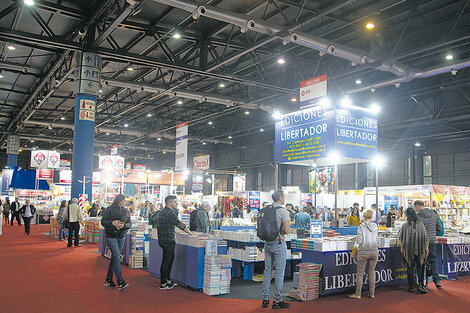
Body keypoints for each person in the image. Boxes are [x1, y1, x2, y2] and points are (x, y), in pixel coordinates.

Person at [157, 195, 193, 290]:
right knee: (166, 261)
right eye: (175, 202)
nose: (177, 204)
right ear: (169, 203)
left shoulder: (163, 212)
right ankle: (163, 283)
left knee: (169, 259)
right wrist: (190, 233)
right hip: (168, 240)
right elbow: (179, 224)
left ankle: (168, 279)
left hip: (163, 239)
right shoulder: (169, 213)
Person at [262, 190, 290, 309]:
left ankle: (265, 299)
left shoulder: (266, 210)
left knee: (267, 271)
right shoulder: (283, 211)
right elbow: (287, 230)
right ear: (280, 198)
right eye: (283, 197)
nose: (284, 199)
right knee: (279, 272)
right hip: (279, 244)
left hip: (267, 243)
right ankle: (277, 300)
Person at [101, 194, 131, 290]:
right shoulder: (109, 210)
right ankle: (120, 281)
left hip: (121, 236)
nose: (125, 202)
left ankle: (108, 280)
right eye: (124, 201)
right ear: (119, 201)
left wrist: (124, 225)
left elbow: (129, 224)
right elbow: (103, 221)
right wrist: (112, 223)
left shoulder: (126, 211)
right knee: (117, 257)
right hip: (111, 235)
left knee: (115, 258)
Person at [349, 209, 379, 299]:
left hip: (363, 252)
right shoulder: (375, 226)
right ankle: (372, 293)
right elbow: (377, 239)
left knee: (360, 273)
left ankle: (358, 294)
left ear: (364, 216)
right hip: (374, 251)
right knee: (372, 273)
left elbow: (359, 240)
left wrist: (354, 252)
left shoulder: (361, 226)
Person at [398, 207, 429, 294]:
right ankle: (421, 284)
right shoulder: (421, 224)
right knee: (420, 266)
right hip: (420, 249)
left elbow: (400, 238)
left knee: (410, 266)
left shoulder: (405, 225)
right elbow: (425, 237)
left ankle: (411, 286)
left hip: (409, 249)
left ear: (407, 215)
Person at [414, 200, 442, 289]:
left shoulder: (417, 216)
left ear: (417, 206)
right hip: (432, 240)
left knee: (422, 262)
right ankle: (437, 279)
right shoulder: (434, 214)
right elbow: (439, 228)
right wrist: (433, 235)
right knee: (433, 260)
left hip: (421, 242)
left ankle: (423, 283)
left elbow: (415, 230)